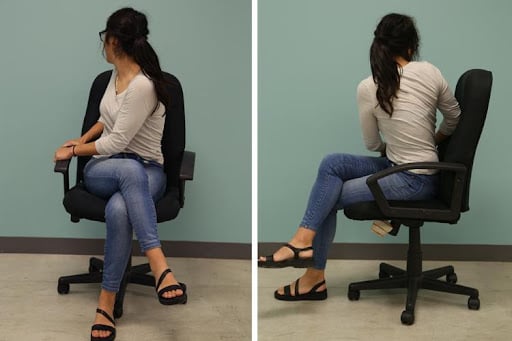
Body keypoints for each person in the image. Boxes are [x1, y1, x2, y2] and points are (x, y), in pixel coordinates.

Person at [258, 13, 461, 302]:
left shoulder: (369, 86)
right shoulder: (431, 72)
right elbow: (454, 118)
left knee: (329, 193)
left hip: (413, 179)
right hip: (415, 170)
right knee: (332, 163)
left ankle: (310, 269)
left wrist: (397, 142)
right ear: (410, 46)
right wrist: (434, 143)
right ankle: (304, 246)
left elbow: (372, 143)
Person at [53, 8, 186, 341]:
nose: (104, 45)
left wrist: (71, 153)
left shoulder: (144, 85)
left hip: (148, 170)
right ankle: (159, 264)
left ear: (113, 41)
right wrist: (80, 140)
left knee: (118, 208)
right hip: (105, 169)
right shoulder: (114, 75)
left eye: (105, 38)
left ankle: (106, 302)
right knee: (126, 168)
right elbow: (105, 121)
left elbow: (115, 141)